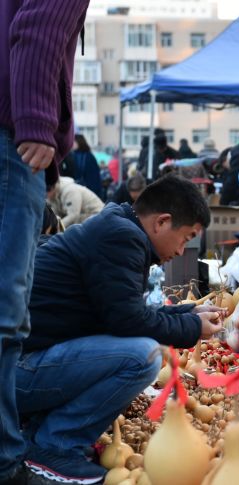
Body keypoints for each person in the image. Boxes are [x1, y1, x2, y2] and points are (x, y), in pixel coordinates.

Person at [17, 176, 223, 483]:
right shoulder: (121, 237)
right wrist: (191, 325)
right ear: (162, 222)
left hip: (22, 363)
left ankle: (43, 432)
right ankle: (54, 444)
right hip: (15, 371)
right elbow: (126, 321)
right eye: (186, 237)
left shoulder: (118, 228)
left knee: (140, 347)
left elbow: (121, 310)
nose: (182, 251)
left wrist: (186, 311)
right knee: (143, 355)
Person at [0, 2, 91, 483]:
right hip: (12, 134)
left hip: (13, 137)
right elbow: (37, 29)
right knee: (6, 315)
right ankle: (5, 460)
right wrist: (37, 123)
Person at [73, 134, 103, 198]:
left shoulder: (88, 156)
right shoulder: (73, 155)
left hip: (88, 189)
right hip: (78, 188)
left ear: (79, 142)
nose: (72, 144)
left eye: (74, 142)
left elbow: (93, 176)